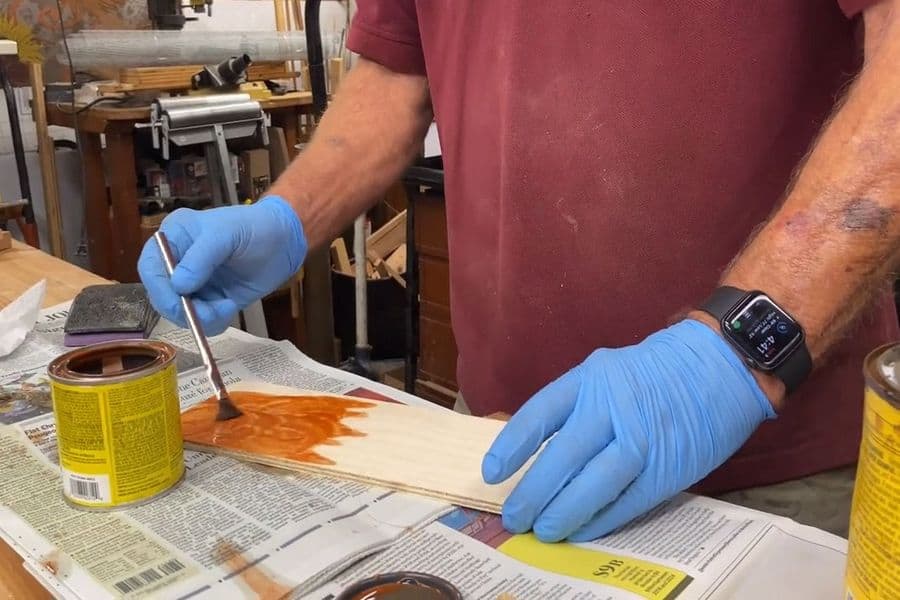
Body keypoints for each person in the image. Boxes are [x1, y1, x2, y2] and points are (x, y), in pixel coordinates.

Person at [138, 1, 900, 542]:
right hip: (497, 442)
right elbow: (396, 76)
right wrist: (287, 217)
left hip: (773, 460)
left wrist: (738, 351)